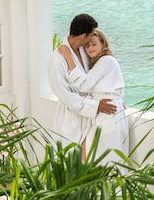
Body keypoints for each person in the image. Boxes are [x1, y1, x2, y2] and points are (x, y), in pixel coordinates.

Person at [57, 29, 128, 164]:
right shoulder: (98, 64)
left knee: (97, 157)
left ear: (103, 43)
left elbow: (85, 85)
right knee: (90, 155)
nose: (90, 48)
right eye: (87, 45)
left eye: (94, 44)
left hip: (108, 114)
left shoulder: (106, 60)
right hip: (105, 111)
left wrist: (68, 57)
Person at [47, 13, 116, 152]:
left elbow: (94, 79)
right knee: (72, 162)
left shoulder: (84, 50)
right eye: (91, 35)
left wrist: (114, 98)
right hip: (71, 118)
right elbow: (67, 97)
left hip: (89, 117)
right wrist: (96, 106)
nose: (93, 38)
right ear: (83, 36)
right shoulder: (57, 61)